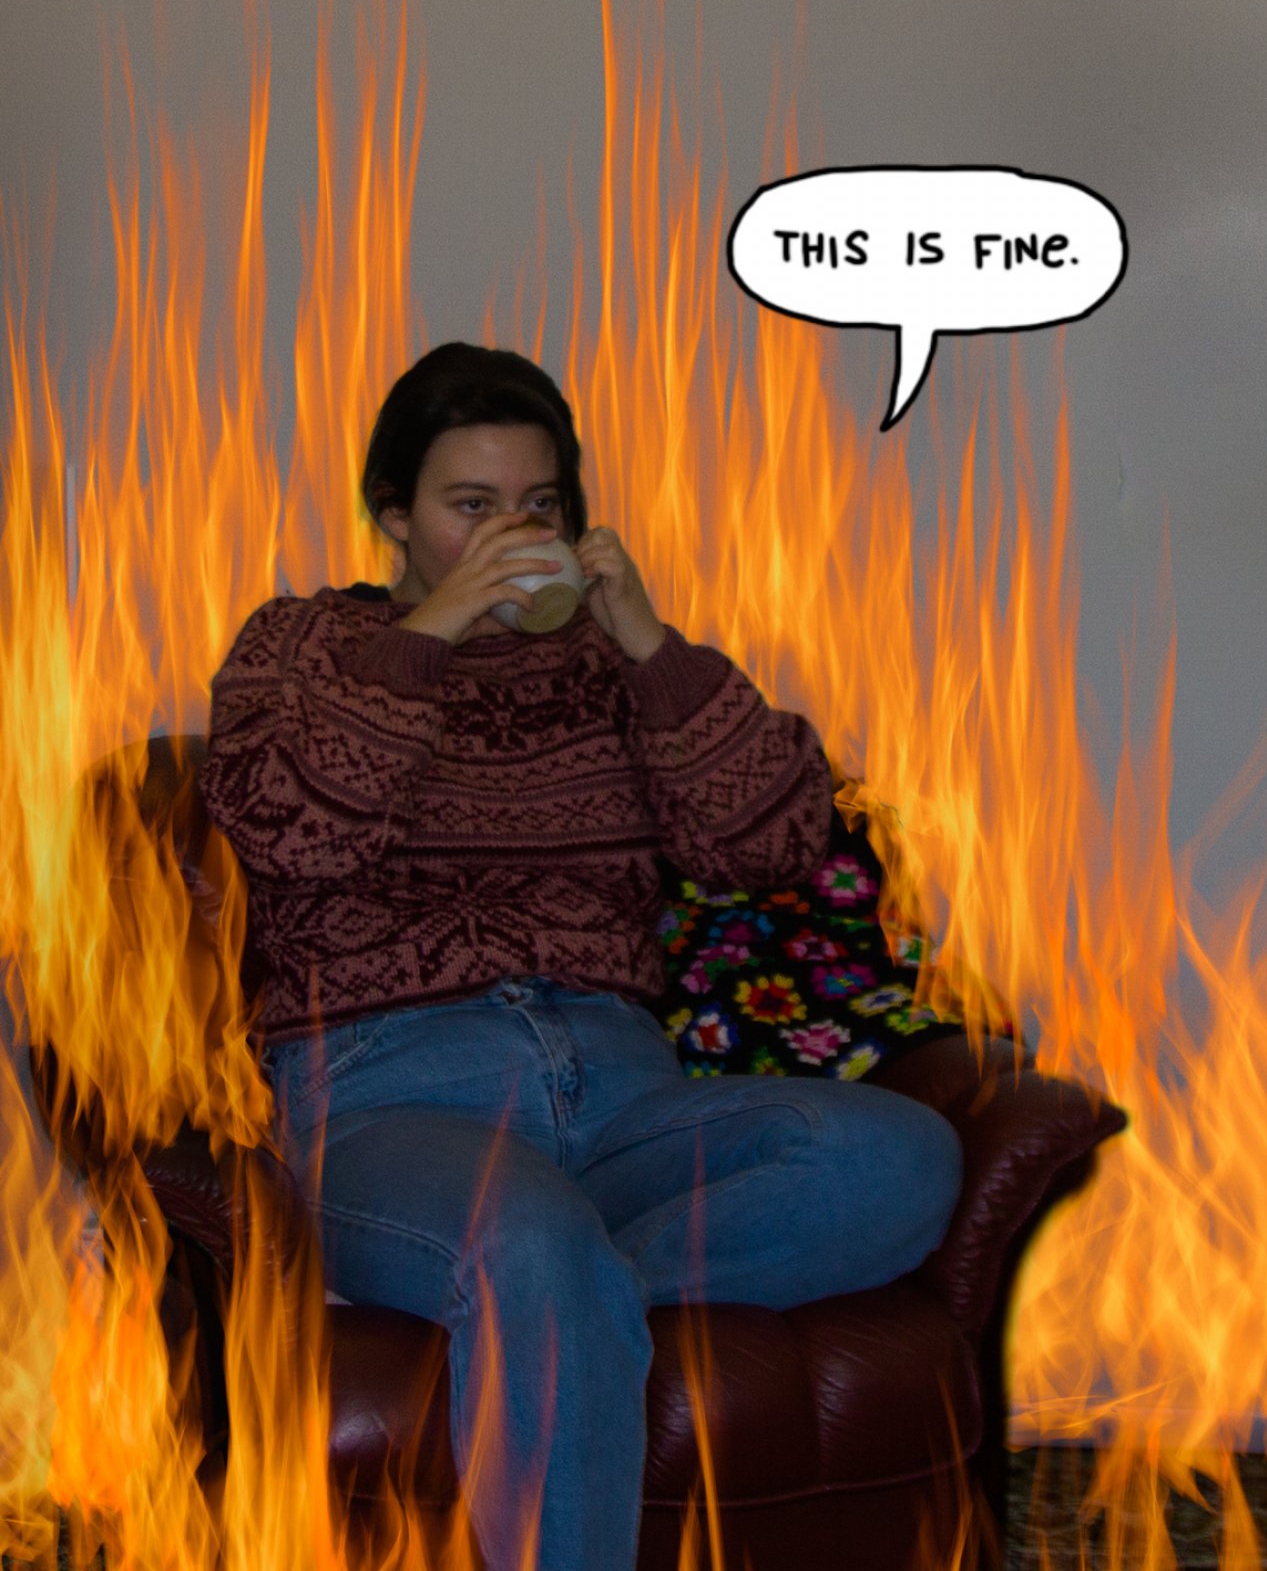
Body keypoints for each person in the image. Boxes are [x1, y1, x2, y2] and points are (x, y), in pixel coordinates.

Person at [199, 341, 964, 1571]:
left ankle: (556, 1294)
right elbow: (292, 832)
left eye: (538, 506)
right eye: (471, 507)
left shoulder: (614, 664)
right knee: (524, 1238)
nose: (511, 534)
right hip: (392, 1088)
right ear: (392, 515)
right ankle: (529, 1275)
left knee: (898, 1158)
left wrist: (649, 642)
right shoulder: (304, 646)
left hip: (620, 1096)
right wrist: (432, 632)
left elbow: (775, 841)